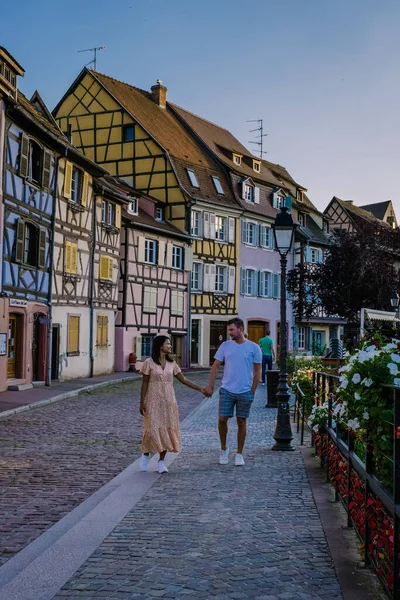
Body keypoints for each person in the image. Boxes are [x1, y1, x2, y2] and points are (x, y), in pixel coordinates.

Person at [139, 335, 210, 473]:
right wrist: (142, 402)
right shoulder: (149, 363)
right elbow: (145, 383)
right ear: (160, 346)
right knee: (152, 429)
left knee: (167, 429)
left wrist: (200, 388)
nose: (170, 346)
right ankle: (146, 455)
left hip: (169, 401)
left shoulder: (172, 364)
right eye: (168, 344)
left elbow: (183, 379)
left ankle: (161, 462)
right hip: (153, 401)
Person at [205, 318, 262, 466]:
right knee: (222, 419)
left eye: (231, 330)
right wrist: (210, 386)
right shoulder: (225, 346)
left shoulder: (254, 348)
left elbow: (258, 370)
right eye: (229, 330)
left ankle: (239, 453)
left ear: (240, 329)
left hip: (245, 390)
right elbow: (215, 366)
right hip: (227, 389)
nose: (229, 332)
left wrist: (252, 391)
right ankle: (224, 448)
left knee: (241, 421)